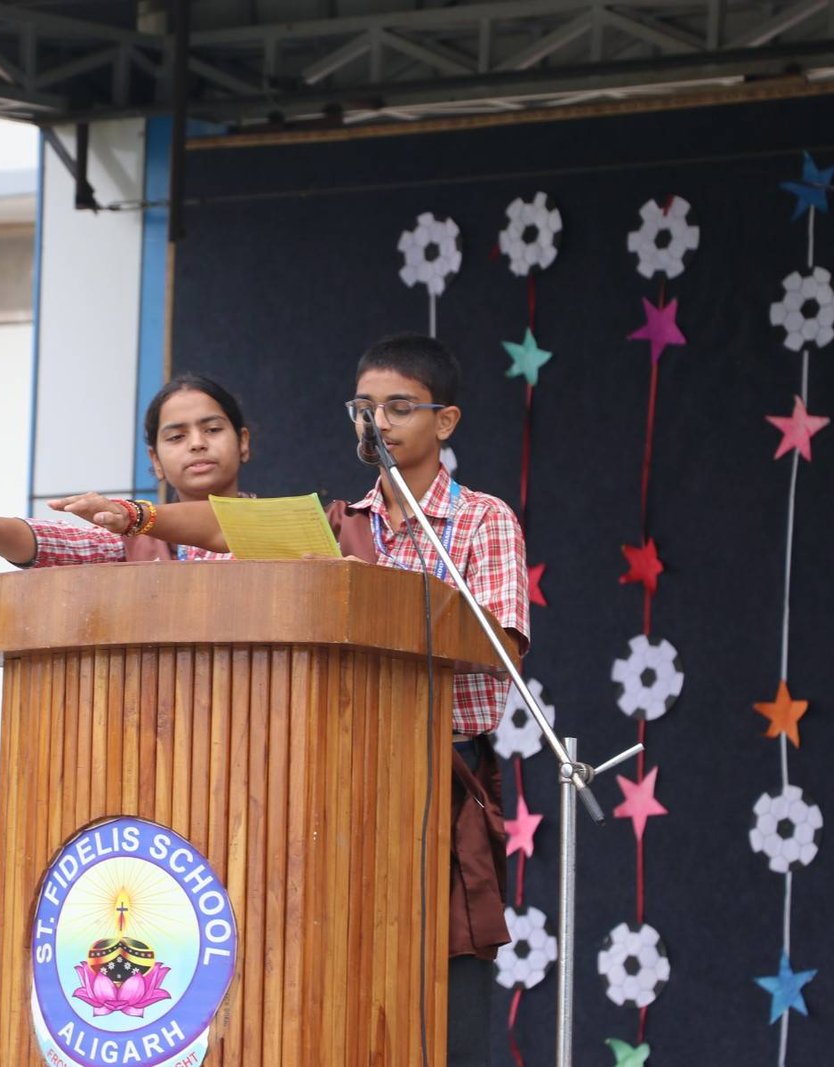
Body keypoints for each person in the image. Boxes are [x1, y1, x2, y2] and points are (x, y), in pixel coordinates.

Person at [48, 334, 528, 1067]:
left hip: (440, 774)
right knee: (339, 969)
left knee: (442, 977)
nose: (378, 423)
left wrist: (379, 602)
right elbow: (223, 525)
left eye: (399, 407)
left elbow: (503, 650)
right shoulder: (340, 524)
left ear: (446, 420)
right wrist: (140, 517)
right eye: (365, 408)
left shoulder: (483, 519)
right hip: (340, 777)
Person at [0, 374, 252, 566]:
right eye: (177, 436)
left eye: (212, 429)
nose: (197, 443)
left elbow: (223, 525)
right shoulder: (131, 545)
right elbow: (61, 542)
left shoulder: (275, 527)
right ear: (155, 461)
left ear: (243, 442)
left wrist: (132, 515)